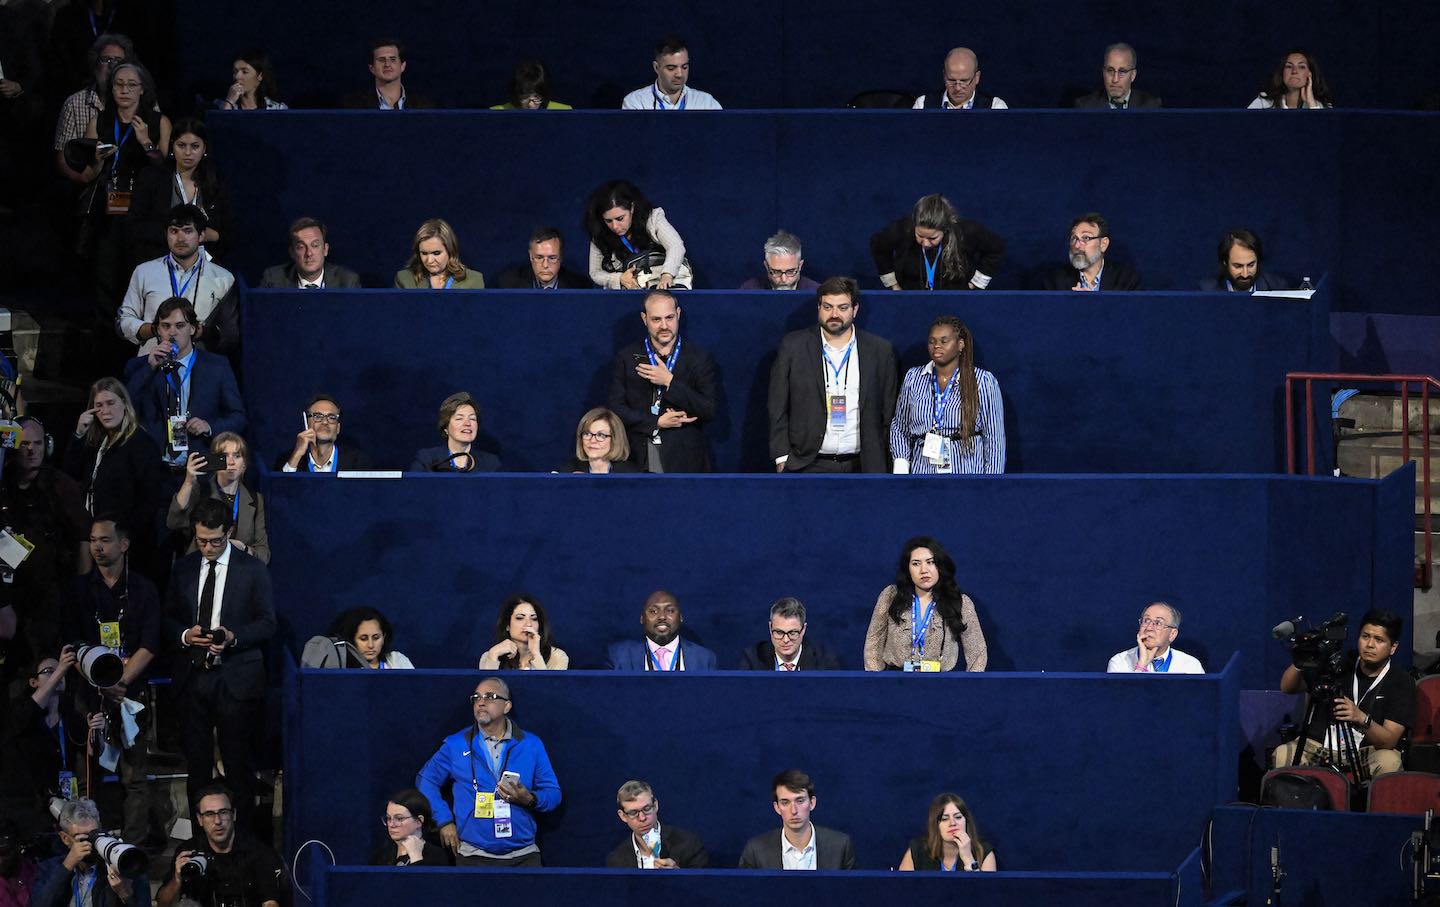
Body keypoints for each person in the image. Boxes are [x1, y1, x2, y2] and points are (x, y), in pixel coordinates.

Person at [163, 499, 276, 823]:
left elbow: (268, 622)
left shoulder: (251, 569)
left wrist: (232, 636)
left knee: (238, 765)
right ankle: (200, 846)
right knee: (197, 766)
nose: (208, 547)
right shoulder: (184, 567)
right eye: (201, 541)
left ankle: (243, 840)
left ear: (229, 532)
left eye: (215, 540)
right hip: (193, 678)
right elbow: (168, 617)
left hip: (235, 680)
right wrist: (186, 635)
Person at [59, 517, 162, 845]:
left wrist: (119, 682)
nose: (98, 547)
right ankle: (90, 844)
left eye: (105, 540)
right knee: (88, 775)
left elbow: (150, 644)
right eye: (93, 540)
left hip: (131, 694)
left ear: (124, 544)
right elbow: (71, 645)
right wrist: (101, 683)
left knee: (135, 777)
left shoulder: (144, 589)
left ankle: (132, 848)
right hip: (88, 695)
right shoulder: (77, 590)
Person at [416, 677, 562, 866]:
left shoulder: (530, 744)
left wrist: (530, 799)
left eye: (490, 696)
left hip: (523, 855)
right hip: (472, 855)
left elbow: (553, 793)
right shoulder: (456, 744)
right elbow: (426, 779)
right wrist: (443, 821)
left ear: (507, 706)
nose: (481, 702)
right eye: (476, 698)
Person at [768, 277, 898, 473]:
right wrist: (782, 456)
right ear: (818, 307)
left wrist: (885, 460)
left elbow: (889, 412)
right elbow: (777, 405)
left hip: (864, 465)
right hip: (806, 463)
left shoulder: (879, 350)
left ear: (855, 310)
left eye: (842, 307)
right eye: (827, 307)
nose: (834, 314)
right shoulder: (793, 346)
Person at [1272, 608, 1413, 779]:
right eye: (1365, 636)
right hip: (1318, 746)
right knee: (1282, 755)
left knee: (1390, 761)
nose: (1370, 645)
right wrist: (1300, 660)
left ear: (1393, 647)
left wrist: (1361, 718)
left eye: (1379, 640)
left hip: (1365, 752)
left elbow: (1389, 740)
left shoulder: (1400, 681)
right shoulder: (1338, 664)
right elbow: (1288, 687)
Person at [79, 61, 172, 319]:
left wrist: (146, 143)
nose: (125, 90)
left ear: (142, 90)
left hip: (144, 212)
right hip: (108, 211)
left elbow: (165, 170)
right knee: (107, 280)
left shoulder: (157, 122)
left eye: (132, 85)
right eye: (119, 84)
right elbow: (87, 175)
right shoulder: (99, 121)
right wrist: (97, 160)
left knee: (140, 278)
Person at [0, 416, 91, 660]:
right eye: (24, 444)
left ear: (47, 446)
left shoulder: (61, 486)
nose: (31, 450)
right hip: (10, 594)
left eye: (38, 443)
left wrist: (81, 590)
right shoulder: (3, 485)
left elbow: (83, 538)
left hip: (51, 596)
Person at [124, 297, 246, 466]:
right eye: (165, 326)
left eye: (180, 325)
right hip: (156, 467)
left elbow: (238, 417)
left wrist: (208, 426)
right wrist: (149, 369)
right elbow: (125, 411)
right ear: (158, 330)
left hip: (203, 466)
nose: (172, 332)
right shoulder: (140, 367)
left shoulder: (217, 366)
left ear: (192, 329)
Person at [607, 289, 717, 472]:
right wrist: (656, 422)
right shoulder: (627, 357)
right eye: (656, 319)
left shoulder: (699, 358)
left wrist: (670, 382)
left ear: (679, 314)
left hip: (685, 460)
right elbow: (615, 409)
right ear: (644, 319)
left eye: (669, 318)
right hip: (637, 458)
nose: (664, 326)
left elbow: (708, 409)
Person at [60, 378, 167, 561]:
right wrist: (78, 434)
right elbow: (68, 475)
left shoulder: (141, 444)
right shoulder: (96, 442)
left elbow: (150, 499)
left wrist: (124, 537)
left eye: (111, 403)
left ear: (124, 404)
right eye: (99, 405)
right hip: (91, 537)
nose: (105, 411)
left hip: (124, 543)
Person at [116, 206, 239, 355]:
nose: (180, 238)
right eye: (174, 231)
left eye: (188, 231)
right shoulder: (144, 272)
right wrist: (156, 329)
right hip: (152, 364)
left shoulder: (224, 278)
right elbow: (122, 322)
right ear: (166, 234)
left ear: (201, 236)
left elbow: (231, 336)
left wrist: (202, 332)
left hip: (200, 367)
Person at [890, 315, 1005, 474]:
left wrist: (990, 485)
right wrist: (901, 469)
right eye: (932, 341)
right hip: (922, 473)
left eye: (944, 341)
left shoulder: (983, 381)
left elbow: (994, 438)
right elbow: (900, 428)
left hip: (967, 474)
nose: (937, 346)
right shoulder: (913, 378)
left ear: (960, 344)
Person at [863, 536, 987, 672]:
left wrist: (972, 687)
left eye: (930, 562)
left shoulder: (960, 602)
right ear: (907, 569)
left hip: (942, 684)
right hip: (895, 682)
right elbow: (874, 641)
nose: (924, 570)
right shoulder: (891, 596)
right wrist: (875, 682)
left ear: (940, 565)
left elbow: (977, 652)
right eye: (916, 563)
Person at [125, 119, 232, 267]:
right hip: (159, 261)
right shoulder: (152, 177)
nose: (188, 153)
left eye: (195, 146)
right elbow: (134, 226)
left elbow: (230, 231)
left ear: (204, 148)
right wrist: (175, 235)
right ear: (172, 146)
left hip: (205, 265)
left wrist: (213, 235)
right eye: (181, 145)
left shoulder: (216, 182)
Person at [157, 784, 284, 907]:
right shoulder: (189, 851)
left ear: (233, 814)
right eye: (209, 814)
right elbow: (162, 904)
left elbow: (270, 902)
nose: (217, 821)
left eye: (223, 812)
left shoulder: (257, 850)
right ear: (200, 819)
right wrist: (177, 880)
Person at [6, 650, 83, 826]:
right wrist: (61, 668)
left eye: (61, 671)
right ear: (33, 682)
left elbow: (91, 754)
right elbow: (28, 713)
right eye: (50, 671)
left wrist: (97, 730)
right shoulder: (19, 711)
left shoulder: (70, 715)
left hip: (66, 802)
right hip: (29, 806)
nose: (59, 674)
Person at [166, 432, 269, 563]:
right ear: (214, 461)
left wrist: (242, 548)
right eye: (224, 456)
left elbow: (264, 554)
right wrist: (188, 482)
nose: (231, 462)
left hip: (238, 570)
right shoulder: (201, 491)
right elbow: (173, 522)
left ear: (244, 464)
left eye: (237, 456)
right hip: (201, 566)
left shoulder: (255, 499)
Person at [870, 194, 1004, 291]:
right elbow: (878, 246)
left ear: (946, 229)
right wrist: (893, 285)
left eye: (932, 238)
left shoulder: (966, 231)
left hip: (956, 299)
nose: (925, 243)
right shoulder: (902, 229)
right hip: (910, 298)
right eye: (920, 235)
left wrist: (975, 284)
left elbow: (996, 248)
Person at [35, 798, 149, 907]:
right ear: (65, 838)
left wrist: (125, 895)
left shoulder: (123, 865)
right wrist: (67, 866)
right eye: (82, 838)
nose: (90, 843)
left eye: (93, 835)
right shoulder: (48, 869)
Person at [54, 33, 132, 184]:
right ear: (95, 64)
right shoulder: (74, 103)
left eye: (118, 61)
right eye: (106, 60)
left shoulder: (143, 101)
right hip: (89, 185)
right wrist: (84, 178)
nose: (112, 66)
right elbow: (62, 159)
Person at [738, 770, 856, 870]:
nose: (793, 810)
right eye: (785, 802)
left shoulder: (840, 846)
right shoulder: (755, 850)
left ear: (812, 803)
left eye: (800, 801)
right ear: (777, 807)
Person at [585, 180, 689, 290]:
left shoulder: (652, 218)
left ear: (632, 208)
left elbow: (676, 246)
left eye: (620, 218)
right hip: (625, 294)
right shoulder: (599, 232)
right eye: (608, 221)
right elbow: (595, 273)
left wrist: (667, 275)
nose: (615, 226)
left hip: (660, 288)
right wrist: (619, 279)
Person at [606, 780, 708, 869]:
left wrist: (679, 876)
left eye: (647, 809)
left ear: (655, 806)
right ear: (623, 816)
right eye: (633, 813)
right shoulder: (617, 860)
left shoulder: (688, 844)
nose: (642, 818)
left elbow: (704, 887)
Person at [606, 590, 717, 671]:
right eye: (653, 611)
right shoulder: (618, 655)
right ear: (642, 618)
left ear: (680, 617)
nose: (662, 617)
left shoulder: (704, 658)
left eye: (670, 610)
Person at [1034, 212, 1141, 291]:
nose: (1077, 245)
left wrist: (1092, 304)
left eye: (1086, 238)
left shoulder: (1126, 281)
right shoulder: (1054, 281)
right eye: (1074, 238)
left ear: (1103, 244)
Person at [897, 793, 997, 872]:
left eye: (958, 817)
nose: (952, 823)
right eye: (944, 819)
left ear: (966, 821)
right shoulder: (917, 851)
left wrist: (968, 858)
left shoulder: (984, 851)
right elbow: (901, 891)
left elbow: (987, 895)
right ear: (935, 825)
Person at [738, 597, 844, 671]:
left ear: (803, 630)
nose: (785, 640)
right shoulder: (753, 658)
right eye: (779, 632)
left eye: (792, 633)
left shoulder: (824, 661)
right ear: (770, 628)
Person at [408, 391, 500, 472]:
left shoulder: (491, 463)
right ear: (445, 427)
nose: (467, 423)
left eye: (472, 418)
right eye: (459, 418)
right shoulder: (426, 459)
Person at [621, 35, 721, 110]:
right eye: (671, 68)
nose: (679, 74)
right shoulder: (636, 102)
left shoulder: (706, 103)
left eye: (684, 67)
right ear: (656, 68)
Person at [258, 217, 362, 289]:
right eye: (301, 247)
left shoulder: (348, 282)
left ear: (325, 250)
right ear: (292, 252)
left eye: (315, 245)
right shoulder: (273, 280)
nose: (309, 253)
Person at [280, 394, 373, 472]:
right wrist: (297, 455)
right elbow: (281, 492)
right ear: (307, 424)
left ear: (338, 428)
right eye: (317, 416)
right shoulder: (289, 460)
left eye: (332, 417)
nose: (325, 422)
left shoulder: (358, 463)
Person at [1106, 602, 1205, 673]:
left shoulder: (1190, 666)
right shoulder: (1120, 662)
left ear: (1172, 634)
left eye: (1158, 623)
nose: (1149, 628)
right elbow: (1123, 701)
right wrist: (1141, 667)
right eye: (1146, 621)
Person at [478, 595, 569, 670]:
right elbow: (488, 690)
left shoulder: (557, 657)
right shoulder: (490, 656)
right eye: (520, 618)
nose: (528, 624)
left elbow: (550, 689)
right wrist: (493, 655)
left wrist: (536, 655)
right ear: (507, 625)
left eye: (534, 619)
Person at [394, 218, 484, 288]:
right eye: (424, 253)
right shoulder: (404, 279)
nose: (429, 261)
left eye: (436, 253)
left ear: (450, 250)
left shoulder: (474, 280)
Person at [372, 789, 452, 866]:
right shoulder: (381, 855)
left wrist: (416, 857)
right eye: (389, 818)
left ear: (419, 821)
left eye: (399, 818)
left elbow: (424, 880)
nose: (391, 825)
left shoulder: (436, 856)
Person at [345, 38, 432, 109]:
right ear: (372, 68)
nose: (387, 64)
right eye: (381, 60)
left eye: (393, 59)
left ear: (403, 66)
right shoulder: (354, 106)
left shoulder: (423, 106)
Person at [912, 47, 1008, 109]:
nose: (957, 88)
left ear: (977, 78)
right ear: (944, 76)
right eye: (952, 80)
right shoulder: (923, 105)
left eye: (964, 81)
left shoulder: (995, 107)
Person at [495, 227, 589, 289]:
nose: (545, 265)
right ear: (531, 256)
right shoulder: (509, 284)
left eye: (552, 258)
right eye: (539, 258)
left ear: (561, 257)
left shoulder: (579, 287)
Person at [1200, 228, 1290, 292]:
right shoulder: (1206, 291)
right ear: (1225, 262)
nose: (1245, 274)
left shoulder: (1278, 288)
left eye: (1251, 265)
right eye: (1238, 266)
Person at [1074, 43, 1160, 109]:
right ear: (1103, 72)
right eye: (1110, 71)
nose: (1115, 79)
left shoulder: (1151, 106)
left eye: (1122, 72)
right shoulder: (1085, 106)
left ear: (1133, 75)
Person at [333, 606, 414, 669]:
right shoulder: (342, 666)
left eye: (376, 638)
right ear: (352, 639)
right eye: (364, 639)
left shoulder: (397, 660)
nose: (371, 645)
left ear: (384, 637)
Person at [1248, 50, 1334, 109]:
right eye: (1289, 66)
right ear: (1282, 72)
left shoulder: (1323, 106)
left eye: (1301, 67)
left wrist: (1311, 104)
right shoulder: (1264, 102)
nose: (1294, 71)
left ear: (1310, 74)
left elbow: (1327, 133)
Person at [562, 407, 638, 474]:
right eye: (587, 434)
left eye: (601, 435)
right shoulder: (569, 471)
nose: (592, 440)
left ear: (615, 440)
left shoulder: (629, 474)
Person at [738, 231, 821, 291]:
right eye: (776, 272)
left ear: (800, 266)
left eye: (790, 271)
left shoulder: (817, 292)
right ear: (766, 266)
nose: (784, 279)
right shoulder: (749, 290)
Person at [217, 48, 288, 110]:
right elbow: (221, 124)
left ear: (260, 75)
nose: (237, 76)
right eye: (235, 71)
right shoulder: (219, 106)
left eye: (244, 72)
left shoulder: (277, 109)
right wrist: (229, 102)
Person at [490, 60, 571, 109]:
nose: (531, 105)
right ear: (516, 94)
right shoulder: (494, 114)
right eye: (525, 97)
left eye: (537, 97)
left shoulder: (565, 112)